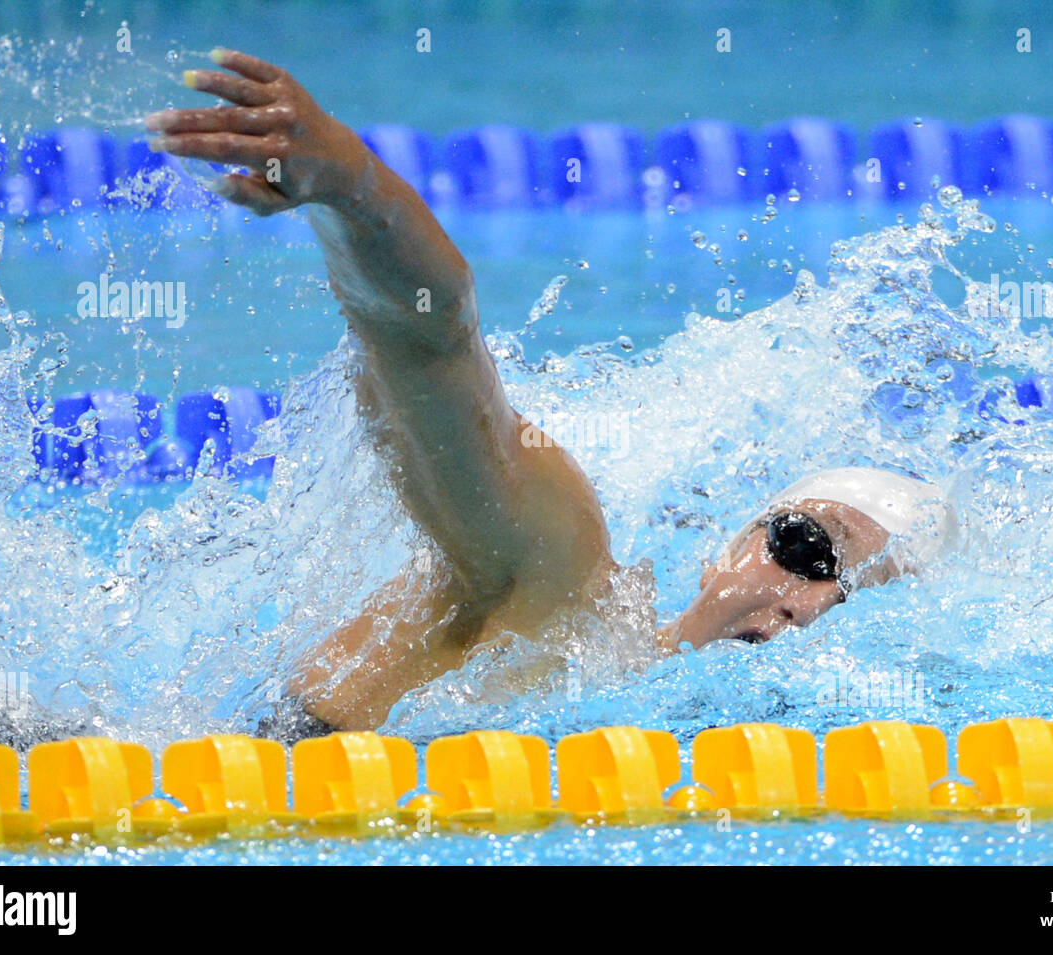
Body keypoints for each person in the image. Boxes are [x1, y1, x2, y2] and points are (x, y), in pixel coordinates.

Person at [144, 49, 956, 737]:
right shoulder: (566, 589)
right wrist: (350, 184)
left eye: (853, 602)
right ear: (727, 549)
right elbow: (432, 341)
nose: (808, 605)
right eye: (806, 549)